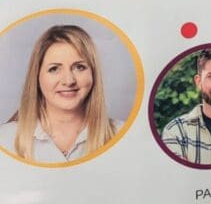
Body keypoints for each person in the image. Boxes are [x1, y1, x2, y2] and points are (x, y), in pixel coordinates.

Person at [0, 24, 121, 163]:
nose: (69, 81)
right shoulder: (4, 139)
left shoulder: (122, 134)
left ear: (93, 74)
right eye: (54, 69)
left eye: (79, 67)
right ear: (37, 76)